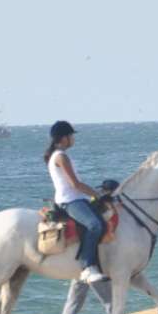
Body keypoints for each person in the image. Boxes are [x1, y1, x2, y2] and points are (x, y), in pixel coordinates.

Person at [43, 121, 107, 283]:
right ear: (63, 138)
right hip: (70, 201)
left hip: (77, 198)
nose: (73, 139)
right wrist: (96, 194)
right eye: (71, 136)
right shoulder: (60, 157)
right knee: (94, 225)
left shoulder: (60, 155)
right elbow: (75, 185)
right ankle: (87, 266)